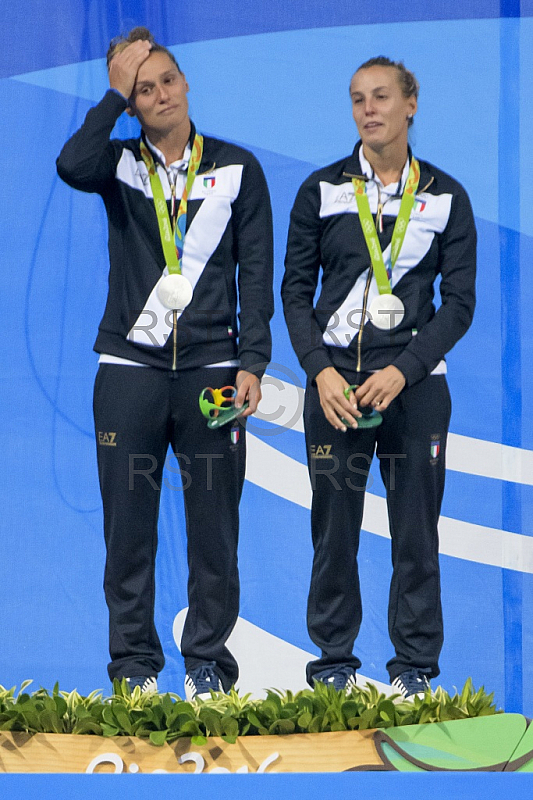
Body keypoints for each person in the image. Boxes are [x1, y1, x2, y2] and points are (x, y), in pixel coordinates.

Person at [57, 27, 273, 699]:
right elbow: (71, 164)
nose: (158, 95)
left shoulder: (236, 169)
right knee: (129, 531)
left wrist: (254, 359)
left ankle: (207, 667)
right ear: (132, 102)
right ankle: (134, 671)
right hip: (128, 372)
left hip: (214, 373)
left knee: (215, 529)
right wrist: (111, 92)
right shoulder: (117, 164)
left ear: (186, 86)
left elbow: (257, 274)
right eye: (143, 89)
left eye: (166, 81)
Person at [281, 57, 476, 699]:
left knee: (416, 532)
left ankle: (415, 673)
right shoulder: (320, 191)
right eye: (358, 99)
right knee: (333, 529)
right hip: (336, 391)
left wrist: (404, 369)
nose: (369, 110)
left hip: (414, 390)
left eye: (383, 96)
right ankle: (333, 666)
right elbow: (293, 291)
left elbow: (460, 304)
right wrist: (319, 372)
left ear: (411, 104)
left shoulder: (446, 195)